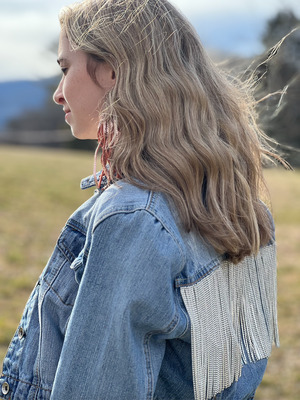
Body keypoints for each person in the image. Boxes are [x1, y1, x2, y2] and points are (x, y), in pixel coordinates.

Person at [0, 0, 282, 399]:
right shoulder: (246, 212)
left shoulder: (132, 217)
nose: (58, 95)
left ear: (114, 69)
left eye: (65, 68)